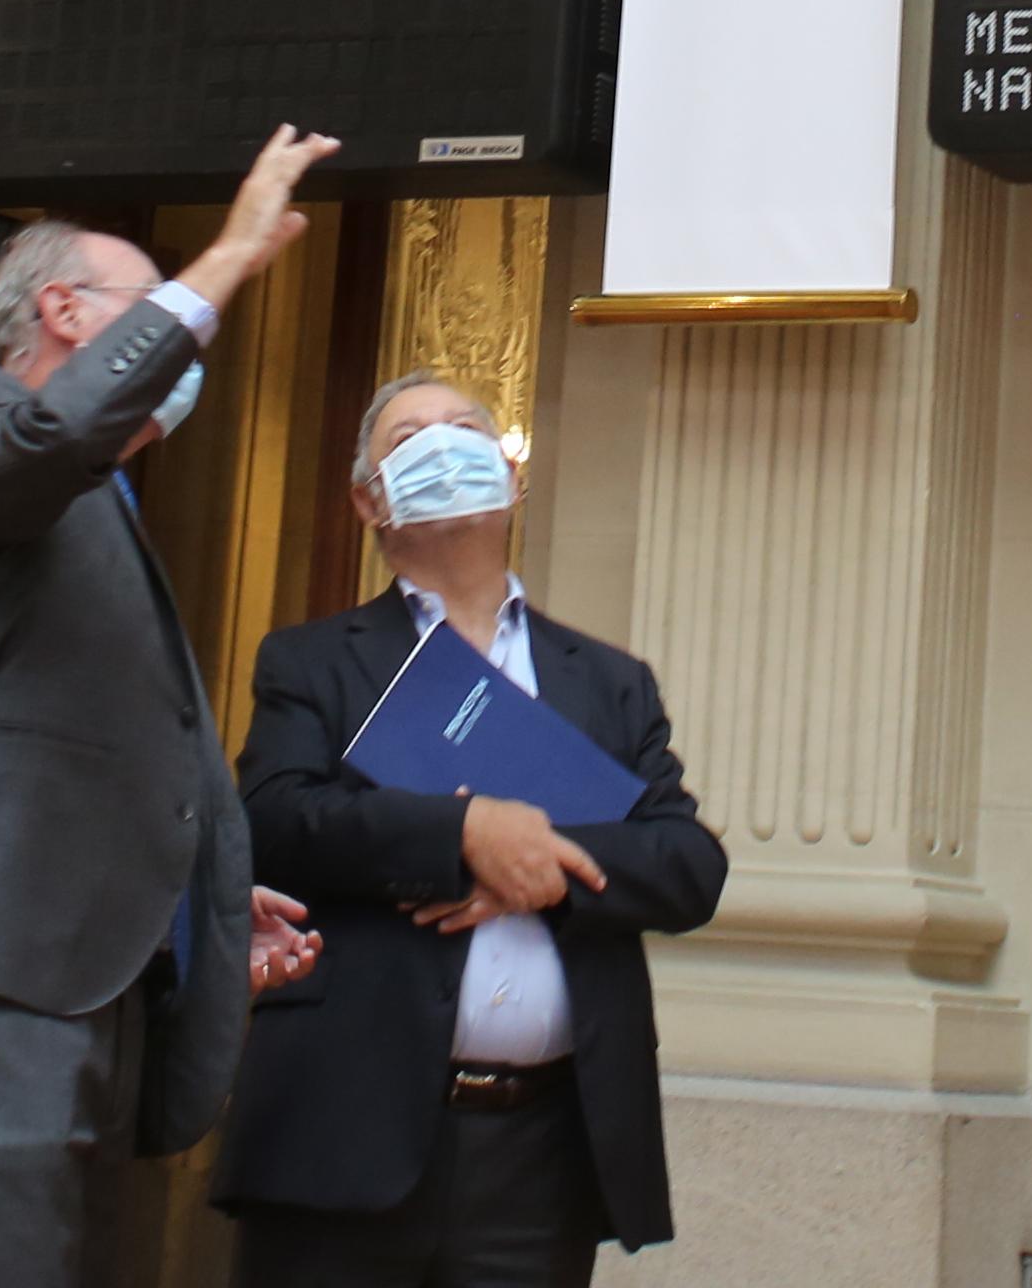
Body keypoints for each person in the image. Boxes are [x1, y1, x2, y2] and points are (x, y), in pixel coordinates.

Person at [0, 129, 342, 1286]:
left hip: (75, 994)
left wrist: (191, 897)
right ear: (62, 309)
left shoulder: (104, 504)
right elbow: (53, 436)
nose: (185, 336)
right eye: (149, 304)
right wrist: (224, 264)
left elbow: (82, 743)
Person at [211, 373, 726, 1287]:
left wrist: (544, 866)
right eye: (410, 436)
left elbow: (688, 866)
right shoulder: (314, 660)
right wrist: (461, 833)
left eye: (465, 429)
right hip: (342, 1131)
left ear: (511, 477)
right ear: (370, 498)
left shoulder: (608, 681)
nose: (443, 446)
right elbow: (273, 822)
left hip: (542, 1151)